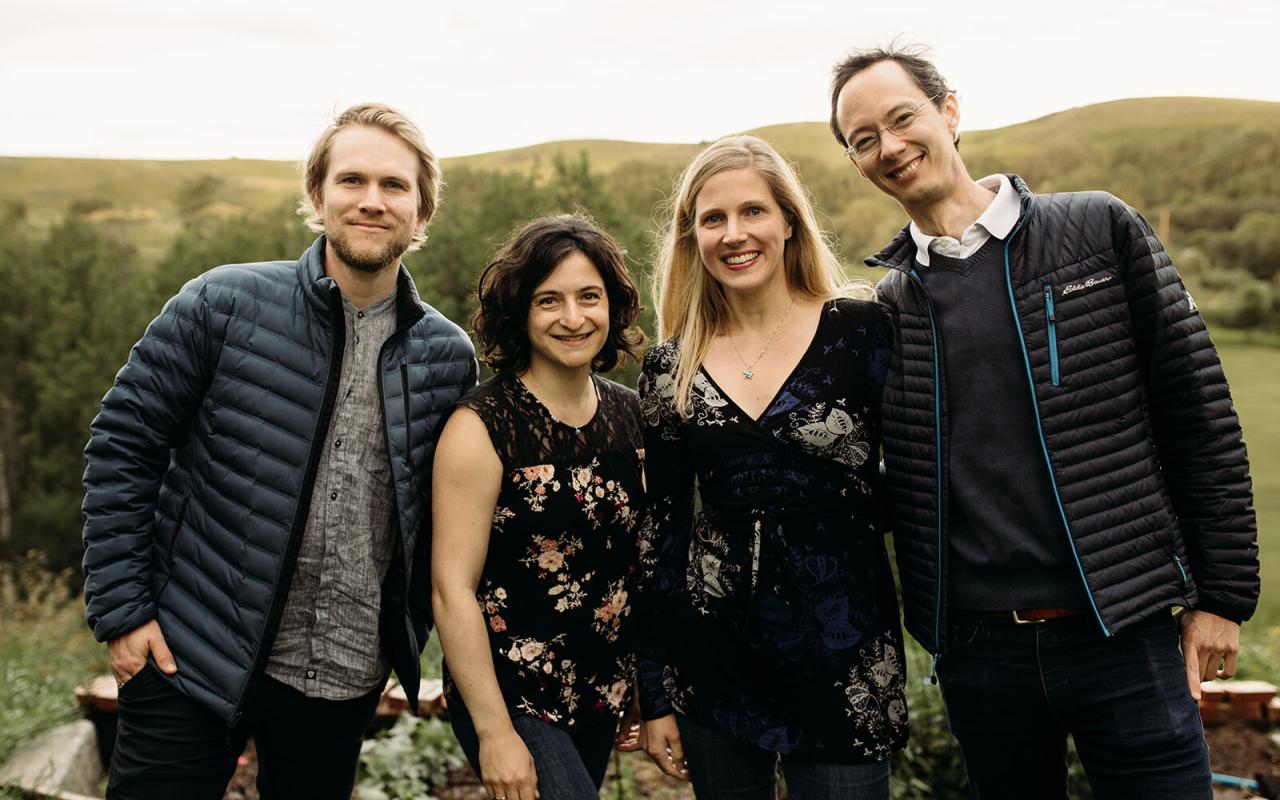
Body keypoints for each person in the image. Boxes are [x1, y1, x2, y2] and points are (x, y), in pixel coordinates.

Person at [828, 45, 1260, 799]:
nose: (890, 146)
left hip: (1123, 632)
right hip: (979, 650)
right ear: (858, 164)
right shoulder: (889, 309)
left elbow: (1198, 414)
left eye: (903, 119)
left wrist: (1221, 596)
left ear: (949, 112)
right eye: (865, 139)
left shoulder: (1096, 229)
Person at [81, 103, 477, 800]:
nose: (371, 201)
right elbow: (123, 445)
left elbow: (442, 519)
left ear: (422, 214)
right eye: (351, 180)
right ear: (317, 195)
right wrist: (123, 613)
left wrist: (400, 640)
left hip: (342, 677)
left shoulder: (447, 358)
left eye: (395, 186)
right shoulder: (222, 304)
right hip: (188, 657)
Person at [636, 134, 908, 800]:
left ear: (788, 221)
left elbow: (918, 482)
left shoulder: (863, 331)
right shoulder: (672, 367)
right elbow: (660, 534)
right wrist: (653, 688)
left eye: (753, 211)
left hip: (846, 658)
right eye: (713, 219)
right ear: (692, 237)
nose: (735, 233)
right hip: (715, 664)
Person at [431, 214, 648, 800]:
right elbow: (451, 588)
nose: (573, 318)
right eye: (549, 300)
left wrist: (639, 687)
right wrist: (494, 732)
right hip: (513, 694)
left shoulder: (632, 415)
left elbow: (639, 564)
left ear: (613, 306)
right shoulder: (481, 427)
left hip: (601, 687)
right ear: (520, 313)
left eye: (589, 297)